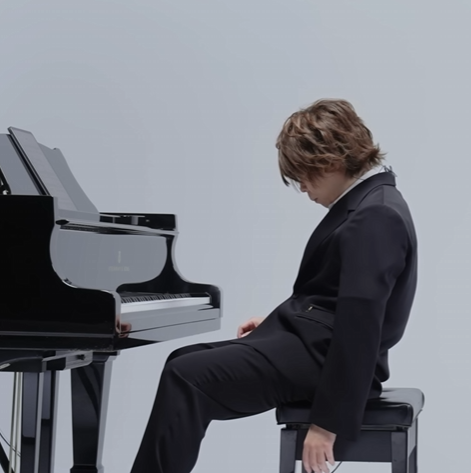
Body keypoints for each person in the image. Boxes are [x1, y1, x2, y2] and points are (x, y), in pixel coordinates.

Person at [130, 99, 418, 473]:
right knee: (181, 361)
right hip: (314, 346)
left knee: (186, 376)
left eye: (304, 175)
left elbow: (360, 327)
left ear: (331, 161)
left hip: (325, 360)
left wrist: (327, 422)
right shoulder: (370, 202)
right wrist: (275, 326)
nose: (303, 188)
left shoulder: (376, 213)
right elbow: (332, 298)